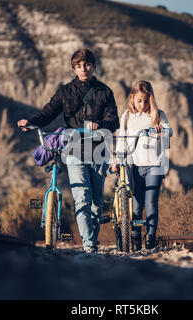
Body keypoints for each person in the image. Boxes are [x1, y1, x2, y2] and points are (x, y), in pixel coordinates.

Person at [18, 49, 119, 253]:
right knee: (82, 196)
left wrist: (100, 125)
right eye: (79, 65)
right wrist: (31, 122)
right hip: (74, 148)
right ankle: (89, 245)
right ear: (74, 68)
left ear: (94, 66)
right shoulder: (65, 91)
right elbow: (48, 112)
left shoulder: (105, 92)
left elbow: (114, 120)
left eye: (87, 64)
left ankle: (92, 238)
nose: (84, 69)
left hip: (99, 149)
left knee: (96, 203)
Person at [110, 80, 172, 251]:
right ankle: (135, 236)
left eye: (146, 101)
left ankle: (150, 238)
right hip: (134, 166)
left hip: (155, 165)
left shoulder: (158, 114)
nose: (143, 105)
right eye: (139, 101)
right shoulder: (127, 117)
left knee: (151, 202)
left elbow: (169, 132)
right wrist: (118, 160)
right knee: (137, 205)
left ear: (150, 99)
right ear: (132, 98)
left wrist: (161, 131)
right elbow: (122, 141)